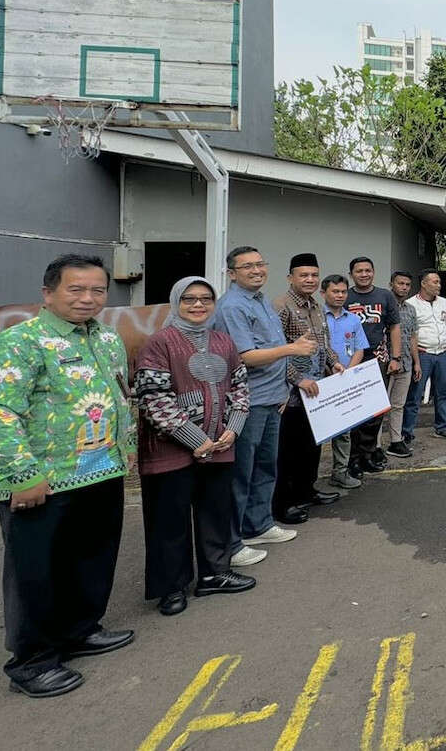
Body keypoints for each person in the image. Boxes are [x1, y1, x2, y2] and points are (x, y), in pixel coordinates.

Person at [0, 253, 135, 698]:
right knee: (36, 573)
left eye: (97, 290)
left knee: (91, 559)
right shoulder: (18, 343)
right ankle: (33, 661)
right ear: (48, 293)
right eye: (76, 289)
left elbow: (121, 396)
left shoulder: (106, 339)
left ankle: (80, 631)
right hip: (41, 481)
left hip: (102, 472)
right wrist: (22, 475)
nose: (88, 298)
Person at [134, 277, 256, 617]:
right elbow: (154, 399)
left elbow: (240, 387)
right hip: (171, 451)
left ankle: (214, 574)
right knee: (168, 521)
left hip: (220, 445)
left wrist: (232, 430)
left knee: (215, 513)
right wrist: (194, 439)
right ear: (176, 302)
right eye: (189, 299)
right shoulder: (158, 343)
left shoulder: (224, 342)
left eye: (205, 299)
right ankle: (171, 588)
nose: (198, 305)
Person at [211, 246, 317, 562]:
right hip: (249, 402)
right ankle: (232, 541)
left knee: (265, 467)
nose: (256, 270)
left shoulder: (261, 301)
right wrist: (292, 348)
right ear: (231, 273)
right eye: (247, 266)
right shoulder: (232, 307)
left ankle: (258, 524)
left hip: (273, 399)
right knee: (240, 473)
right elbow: (246, 356)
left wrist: (285, 387)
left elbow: (271, 348)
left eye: (260, 264)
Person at [272, 253, 344, 522]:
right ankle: (284, 503)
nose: (310, 279)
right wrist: (297, 379)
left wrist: (334, 363)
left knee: (311, 445)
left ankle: (306, 491)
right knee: (288, 449)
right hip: (291, 393)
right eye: (304, 275)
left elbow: (323, 344)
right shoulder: (281, 306)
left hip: (316, 388)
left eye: (314, 275)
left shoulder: (315, 306)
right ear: (291, 277)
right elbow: (274, 351)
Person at [345, 256, 403, 475]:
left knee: (375, 412)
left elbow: (394, 327)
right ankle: (352, 461)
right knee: (353, 413)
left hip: (378, 359)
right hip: (351, 360)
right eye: (358, 271)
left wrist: (395, 358)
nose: (363, 274)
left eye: (367, 270)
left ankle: (368, 455)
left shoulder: (385, 296)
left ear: (373, 272)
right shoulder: (345, 296)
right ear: (352, 274)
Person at [321, 273, 369, 488]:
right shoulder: (316, 317)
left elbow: (360, 348)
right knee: (317, 429)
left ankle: (340, 471)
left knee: (344, 430)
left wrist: (349, 372)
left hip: (345, 379)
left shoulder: (353, 319)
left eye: (343, 292)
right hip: (320, 380)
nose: (340, 295)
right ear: (323, 293)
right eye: (335, 291)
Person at [403, 269, 446, 441]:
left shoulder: (444, 303)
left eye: (439, 282)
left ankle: (442, 427)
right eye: (435, 282)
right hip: (422, 354)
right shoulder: (410, 304)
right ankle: (407, 432)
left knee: (442, 392)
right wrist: (414, 358)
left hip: (442, 354)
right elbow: (408, 333)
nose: (439, 285)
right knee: (414, 395)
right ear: (423, 284)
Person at [383, 271, 420, 458]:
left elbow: (413, 337)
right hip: (386, 364)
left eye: (407, 284)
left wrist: (417, 363)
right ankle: (372, 446)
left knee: (398, 405)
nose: (404, 287)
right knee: (379, 408)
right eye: (400, 283)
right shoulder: (384, 306)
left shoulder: (410, 309)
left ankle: (396, 442)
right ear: (392, 284)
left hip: (405, 363)